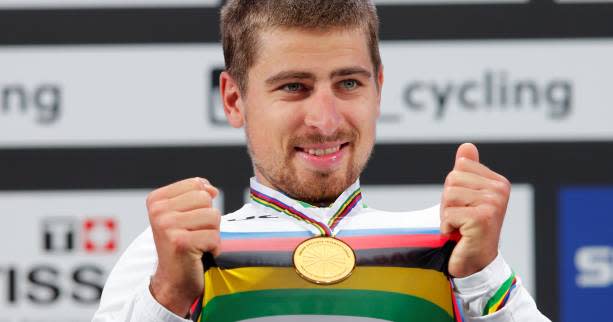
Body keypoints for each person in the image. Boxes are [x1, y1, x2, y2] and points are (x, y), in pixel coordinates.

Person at [92, 1, 550, 321]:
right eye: (294, 86)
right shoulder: (167, 254)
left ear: (378, 88)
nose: (325, 120)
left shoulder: (453, 248)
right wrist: (169, 297)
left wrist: (482, 277)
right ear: (234, 100)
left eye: (349, 83)